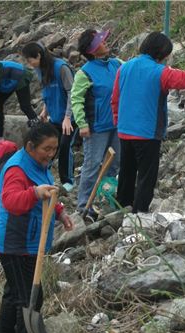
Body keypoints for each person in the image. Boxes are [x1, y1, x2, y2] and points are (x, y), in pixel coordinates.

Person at [0, 123, 73, 333]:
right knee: (30, 297)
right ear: (30, 146)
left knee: (14, 293)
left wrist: (59, 211)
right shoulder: (16, 169)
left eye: (54, 148)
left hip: (30, 240)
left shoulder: (40, 164)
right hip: (15, 244)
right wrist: (34, 194)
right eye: (46, 149)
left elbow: (48, 190)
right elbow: (10, 201)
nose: (51, 154)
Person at [111, 32, 185, 213]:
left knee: (126, 171)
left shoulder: (124, 68)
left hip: (124, 131)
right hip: (147, 133)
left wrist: (118, 121)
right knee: (146, 176)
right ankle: (139, 214)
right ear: (162, 53)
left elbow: (115, 98)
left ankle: (121, 206)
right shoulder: (160, 72)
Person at [71, 29, 121, 218]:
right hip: (96, 128)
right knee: (92, 165)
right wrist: (82, 123)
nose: (105, 42)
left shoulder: (116, 64)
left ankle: (106, 198)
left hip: (117, 124)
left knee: (115, 163)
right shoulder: (84, 73)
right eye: (100, 42)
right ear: (91, 51)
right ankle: (84, 206)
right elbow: (76, 99)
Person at [22, 42, 77, 192]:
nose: (29, 64)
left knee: (65, 146)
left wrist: (67, 117)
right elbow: (48, 93)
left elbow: (72, 93)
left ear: (38, 55)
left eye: (29, 60)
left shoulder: (61, 68)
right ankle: (41, 177)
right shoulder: (40, 70)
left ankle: (68, 182)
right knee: (45, 145)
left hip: (70, 118)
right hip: (54, 117)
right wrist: (44, 112)